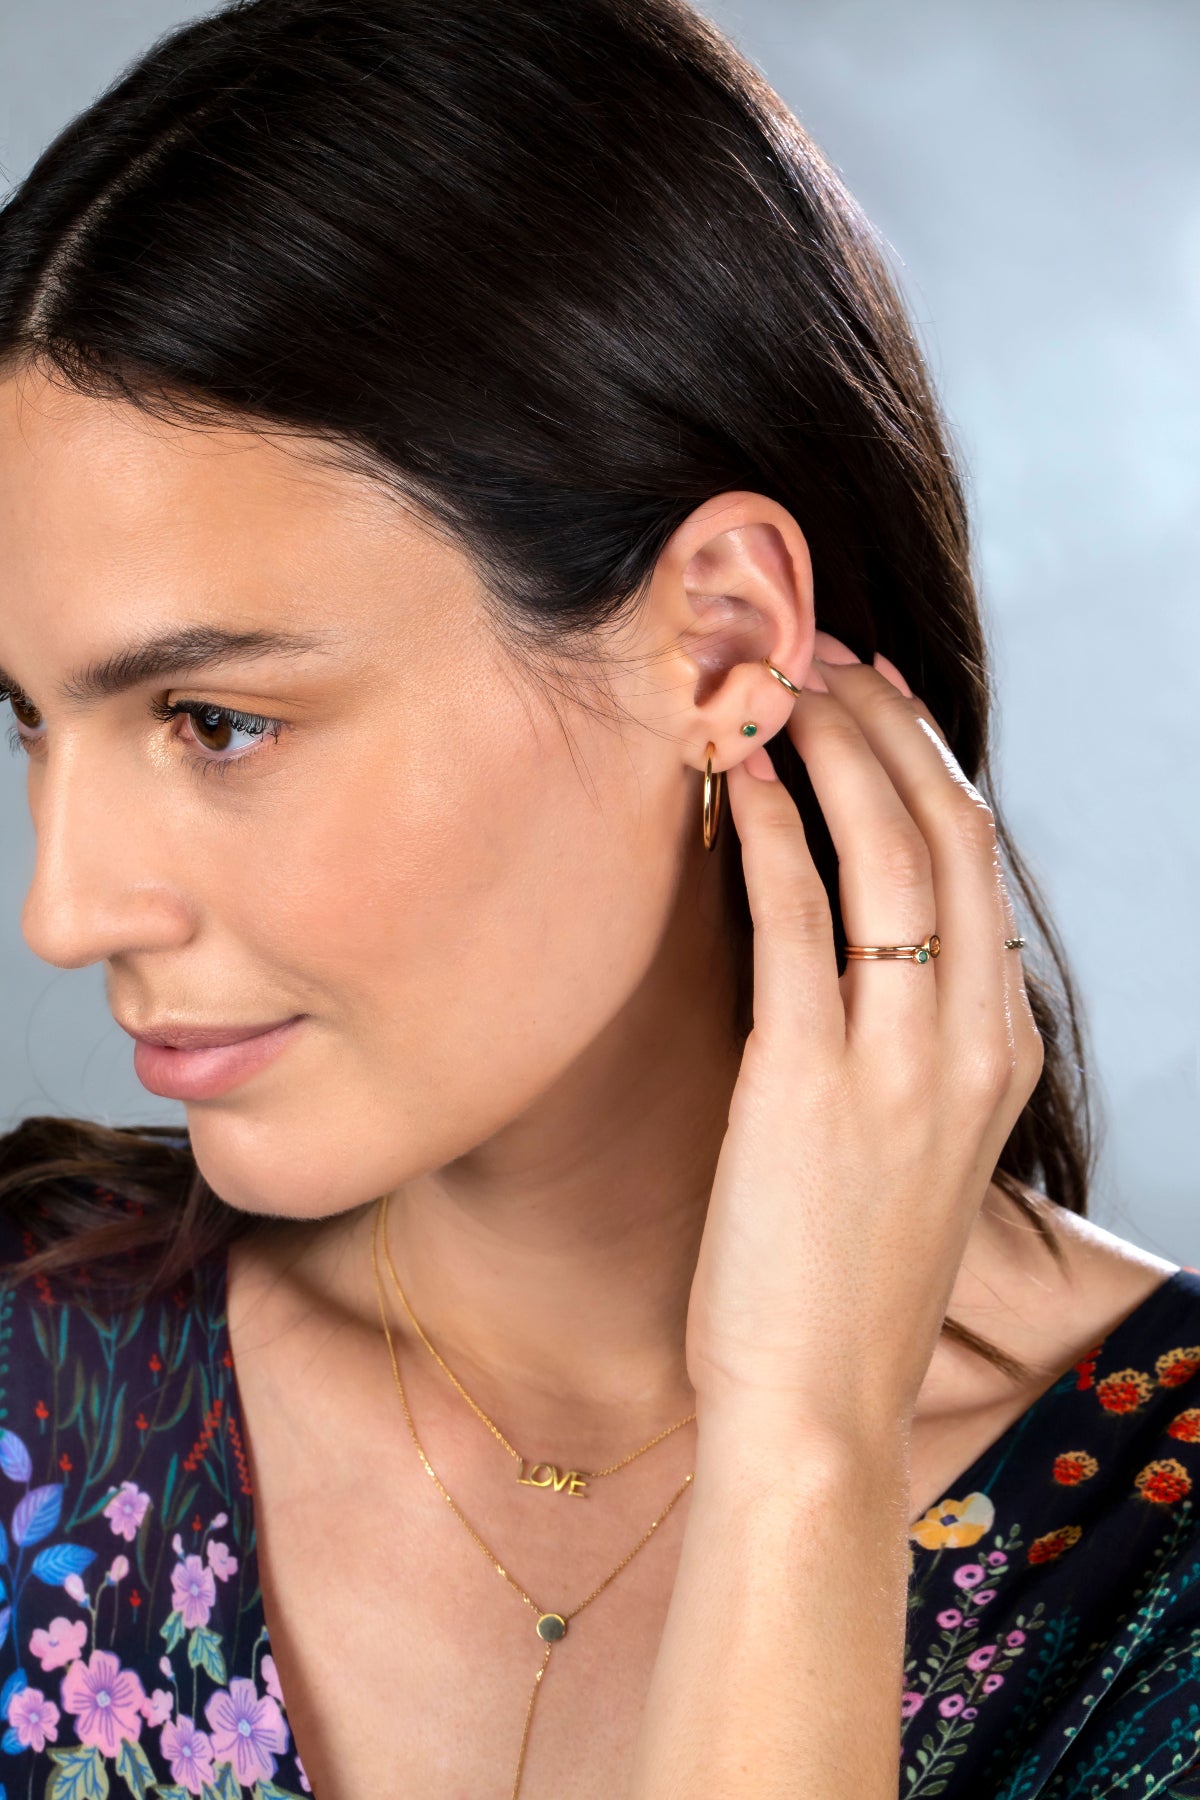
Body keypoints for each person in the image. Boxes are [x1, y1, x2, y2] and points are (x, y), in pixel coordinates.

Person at [0, 0, 1195, 1795]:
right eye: (35, 728)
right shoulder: (33, 1364)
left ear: (716, 641)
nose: (66, 911)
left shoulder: (1159, 1579)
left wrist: (804, 1443)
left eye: (217, 720)